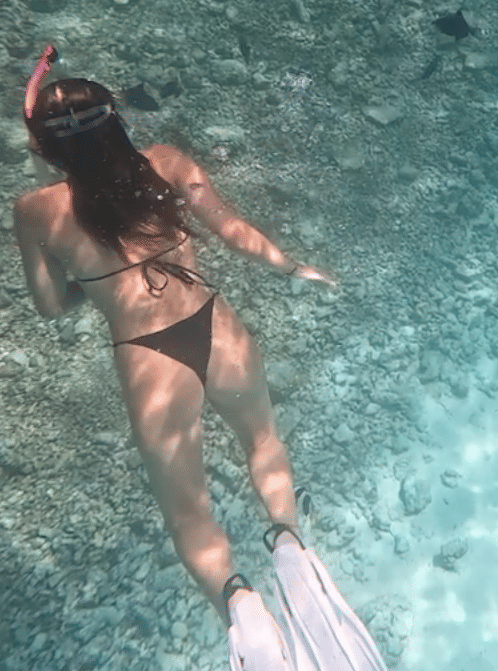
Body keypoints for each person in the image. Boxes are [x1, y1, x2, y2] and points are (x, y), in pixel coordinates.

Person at [14, 45, 336, 667]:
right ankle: (290, 544)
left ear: (47, 148)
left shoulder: (35, 211)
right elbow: (235, 231)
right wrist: (294, 266)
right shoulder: (165, 164)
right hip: (215, 324)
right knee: (263, 441)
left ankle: (240, 609)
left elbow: (51, 306)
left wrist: (95, 281)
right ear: (117, 124)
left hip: (146, 357)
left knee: (189, 514)